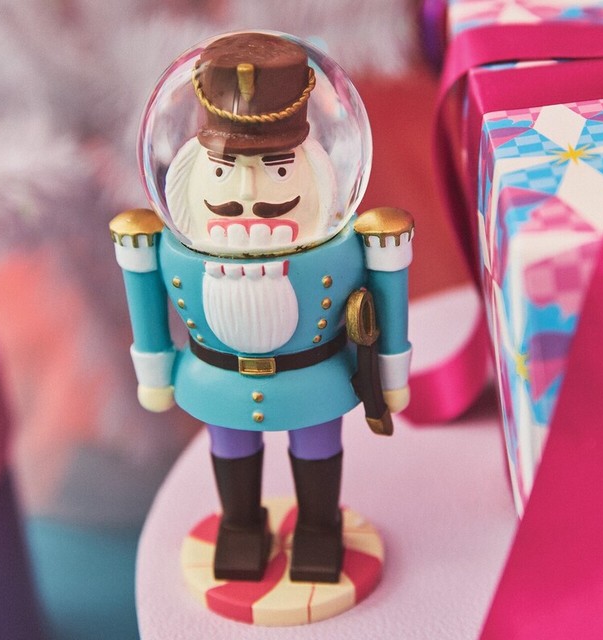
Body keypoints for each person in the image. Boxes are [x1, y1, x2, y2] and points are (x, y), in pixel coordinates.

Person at [110, 31, 413, 584]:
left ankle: (320, 527)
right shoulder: (174, 249)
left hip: (313, 379)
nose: (247, 196)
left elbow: (385, 293)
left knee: (317, 443)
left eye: (278, 168)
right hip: (217, 380)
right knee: (230, 444)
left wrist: (390, 373)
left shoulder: (340, 247)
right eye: (223, 171)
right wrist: (153, 368)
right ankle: (241, 524)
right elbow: (145, 292)